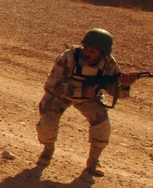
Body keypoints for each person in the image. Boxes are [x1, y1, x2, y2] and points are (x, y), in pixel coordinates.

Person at [36, 29, 138, 177]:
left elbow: (118, 93)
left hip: (89, 98)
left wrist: (125, 85)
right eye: (86, 49)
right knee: (46, 125)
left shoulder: (108, 64)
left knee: (103, 127)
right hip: (61, 95)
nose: (87, 53)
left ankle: (93, 162)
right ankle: (48, 149)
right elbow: (52, 85)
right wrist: (80, 92)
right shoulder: (68, 57)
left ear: (102, 54)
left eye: (93, 52)